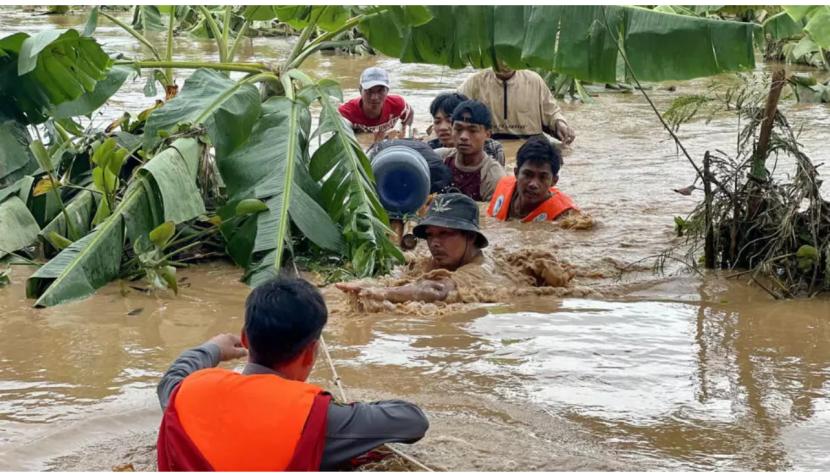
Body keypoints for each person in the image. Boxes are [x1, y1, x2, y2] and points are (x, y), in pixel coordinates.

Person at [156, 277, 429, 471]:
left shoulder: (187, 393)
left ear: (245, 339)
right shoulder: (318, 414)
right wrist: (350, 411)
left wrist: (213, 348)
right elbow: (413, 422)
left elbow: (173, 377)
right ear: (311, 352)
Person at [336, 193, 487, 303]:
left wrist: (382, 292)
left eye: (444, 233)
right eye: (429, 235)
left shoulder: (479, 270)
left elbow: (438, 290)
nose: (434, 243)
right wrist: (368, 283)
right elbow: (403, 277)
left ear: (470, 236)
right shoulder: (431, 263)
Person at [458, 63, 576, 144]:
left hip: (531, 143)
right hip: (490, 143)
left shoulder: (534, 80)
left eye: (510, 57)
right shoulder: (475, 82)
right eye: (500, 57)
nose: (505, 63)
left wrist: (560, 124)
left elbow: (552, 112)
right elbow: (453, 110)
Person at [487, 135, 577, 222]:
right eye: (528, 175)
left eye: (542, 177)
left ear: (554, 181)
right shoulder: (503, 186)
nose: (533, 184)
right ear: (516, 173)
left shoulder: (564, 214)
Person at [435, 100, 505, 202]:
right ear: (452, 128)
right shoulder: (439, 158)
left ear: (488, 134)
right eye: (458, 129)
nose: (463, 136)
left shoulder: (493, 177)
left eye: (472, 130)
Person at [427, 92, 506, 166]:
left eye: (449, 120)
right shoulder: (429, 150)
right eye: (437, 122)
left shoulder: (492, 149)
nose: (442, 127)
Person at [338, 66, 414, 139]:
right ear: (360, 90)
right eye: (369, 91)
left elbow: (410, 112)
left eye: (380, 91)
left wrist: (404, 131)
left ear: (387, 91)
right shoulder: (347, 112)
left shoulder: (398, 104)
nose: (374, 97)